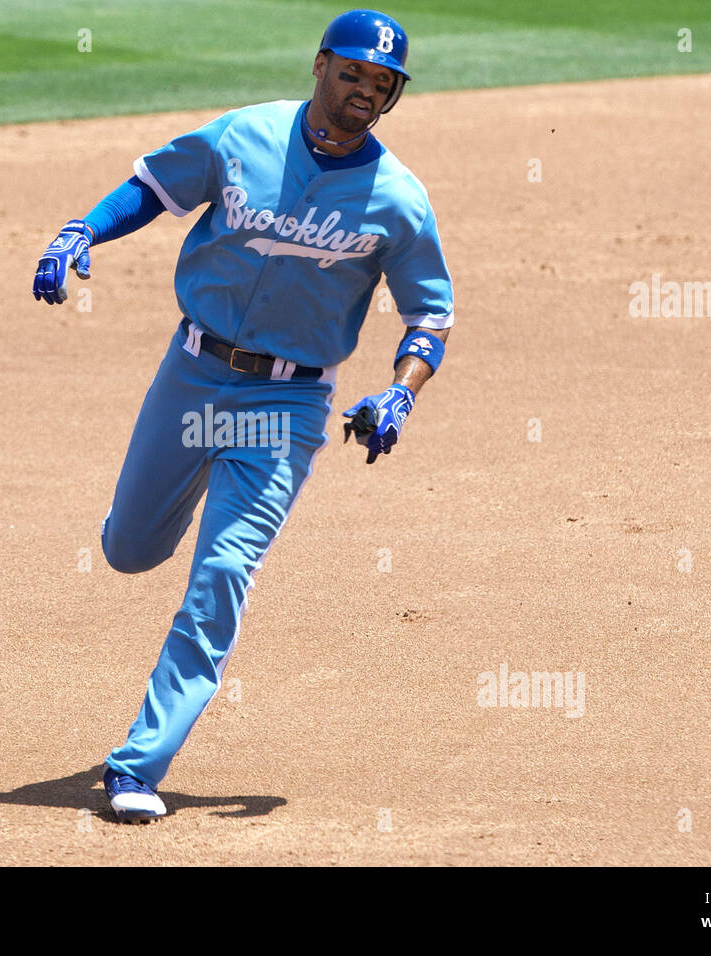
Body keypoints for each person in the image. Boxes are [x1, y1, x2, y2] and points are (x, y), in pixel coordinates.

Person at [32, 8, 453, 823]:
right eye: (355, 73)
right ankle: (176, 494)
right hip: (191, 376)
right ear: (322, 64)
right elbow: (152, 189)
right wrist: (82, 231)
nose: (366, 91)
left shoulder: (398, 200)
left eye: (383, 83)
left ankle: (136, 766)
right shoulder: (243, 138)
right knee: (128, 550)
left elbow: (429, 316)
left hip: (286, 405)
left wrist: (401, 391)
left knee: (223, 573)